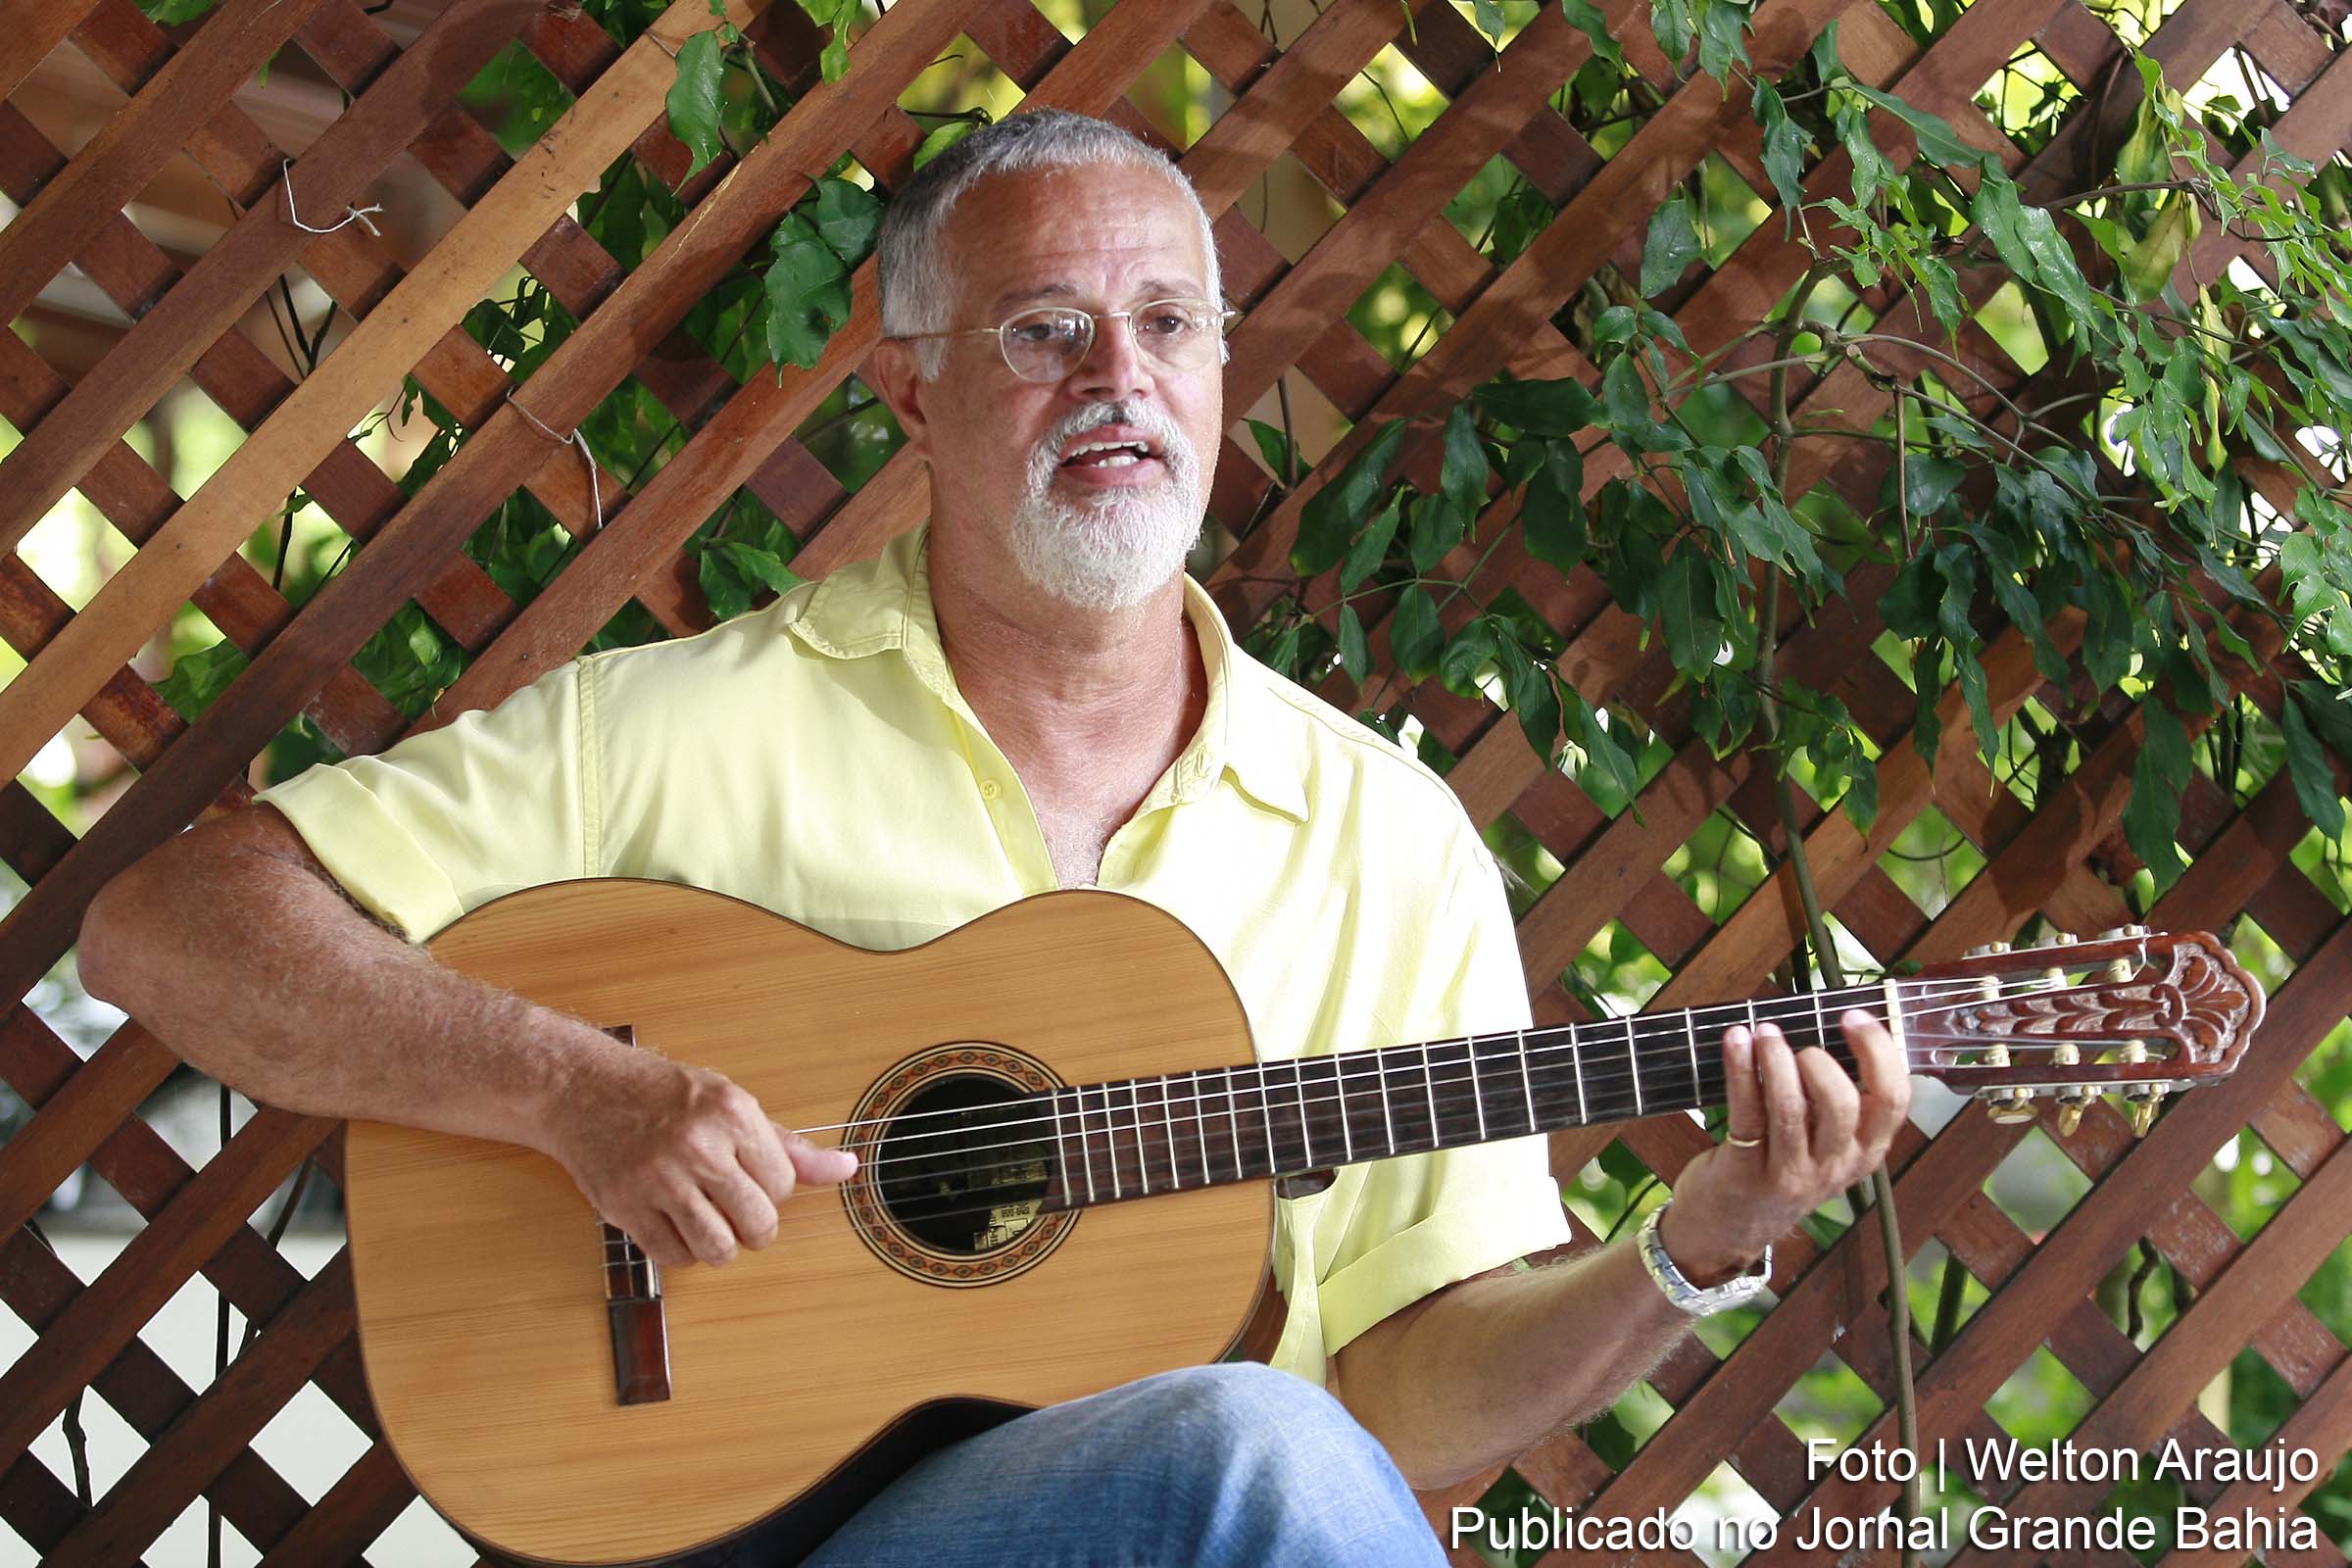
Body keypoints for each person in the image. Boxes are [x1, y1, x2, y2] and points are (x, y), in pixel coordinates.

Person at [78, 111, 1907, 1565]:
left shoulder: (1385, 836)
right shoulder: (682, 729)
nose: (1123, 377)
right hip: (714, 1538)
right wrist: (575, 1090)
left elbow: (1405, 1406)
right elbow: (169, 929)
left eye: (1170, 327)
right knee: (1247, 1438)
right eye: (1047, 332)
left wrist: (1702, 1237)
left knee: (1259, 1441)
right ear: (909, 394)